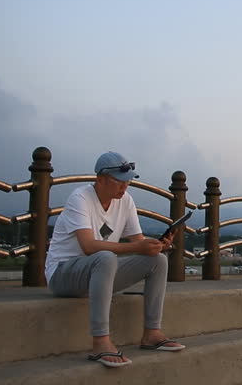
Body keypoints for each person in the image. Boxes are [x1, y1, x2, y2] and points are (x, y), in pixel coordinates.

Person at [44, 151, 185, 367]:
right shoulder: (80, 198)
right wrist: (136, 246)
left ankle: (152, 333)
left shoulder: (126, 201)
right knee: (105, 257)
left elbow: (137, 241)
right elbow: (88, 246)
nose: (124, 186)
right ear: (99, 179)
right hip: (63, 275)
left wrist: (155, 246)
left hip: (101, 273)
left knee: (158, 261)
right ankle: (100, 341)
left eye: (127, 181)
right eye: (118, 181)